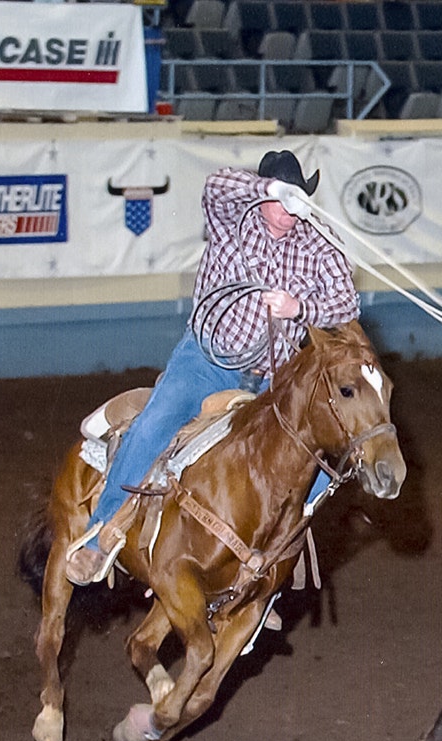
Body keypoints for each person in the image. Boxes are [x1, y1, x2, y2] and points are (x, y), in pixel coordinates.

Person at [64, 150, 359, 586]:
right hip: (206, 362)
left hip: (269, 380)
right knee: (153, 427)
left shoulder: (317, 241)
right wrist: (273, 190)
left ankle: (265, 572)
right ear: (265, 197)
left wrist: (301, 307)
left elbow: (347, 300)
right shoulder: (233, 224)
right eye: (282, 201)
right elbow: (216, 185)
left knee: (310, 469)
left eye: (297, 202)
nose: (288, 213)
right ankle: (98, 537)